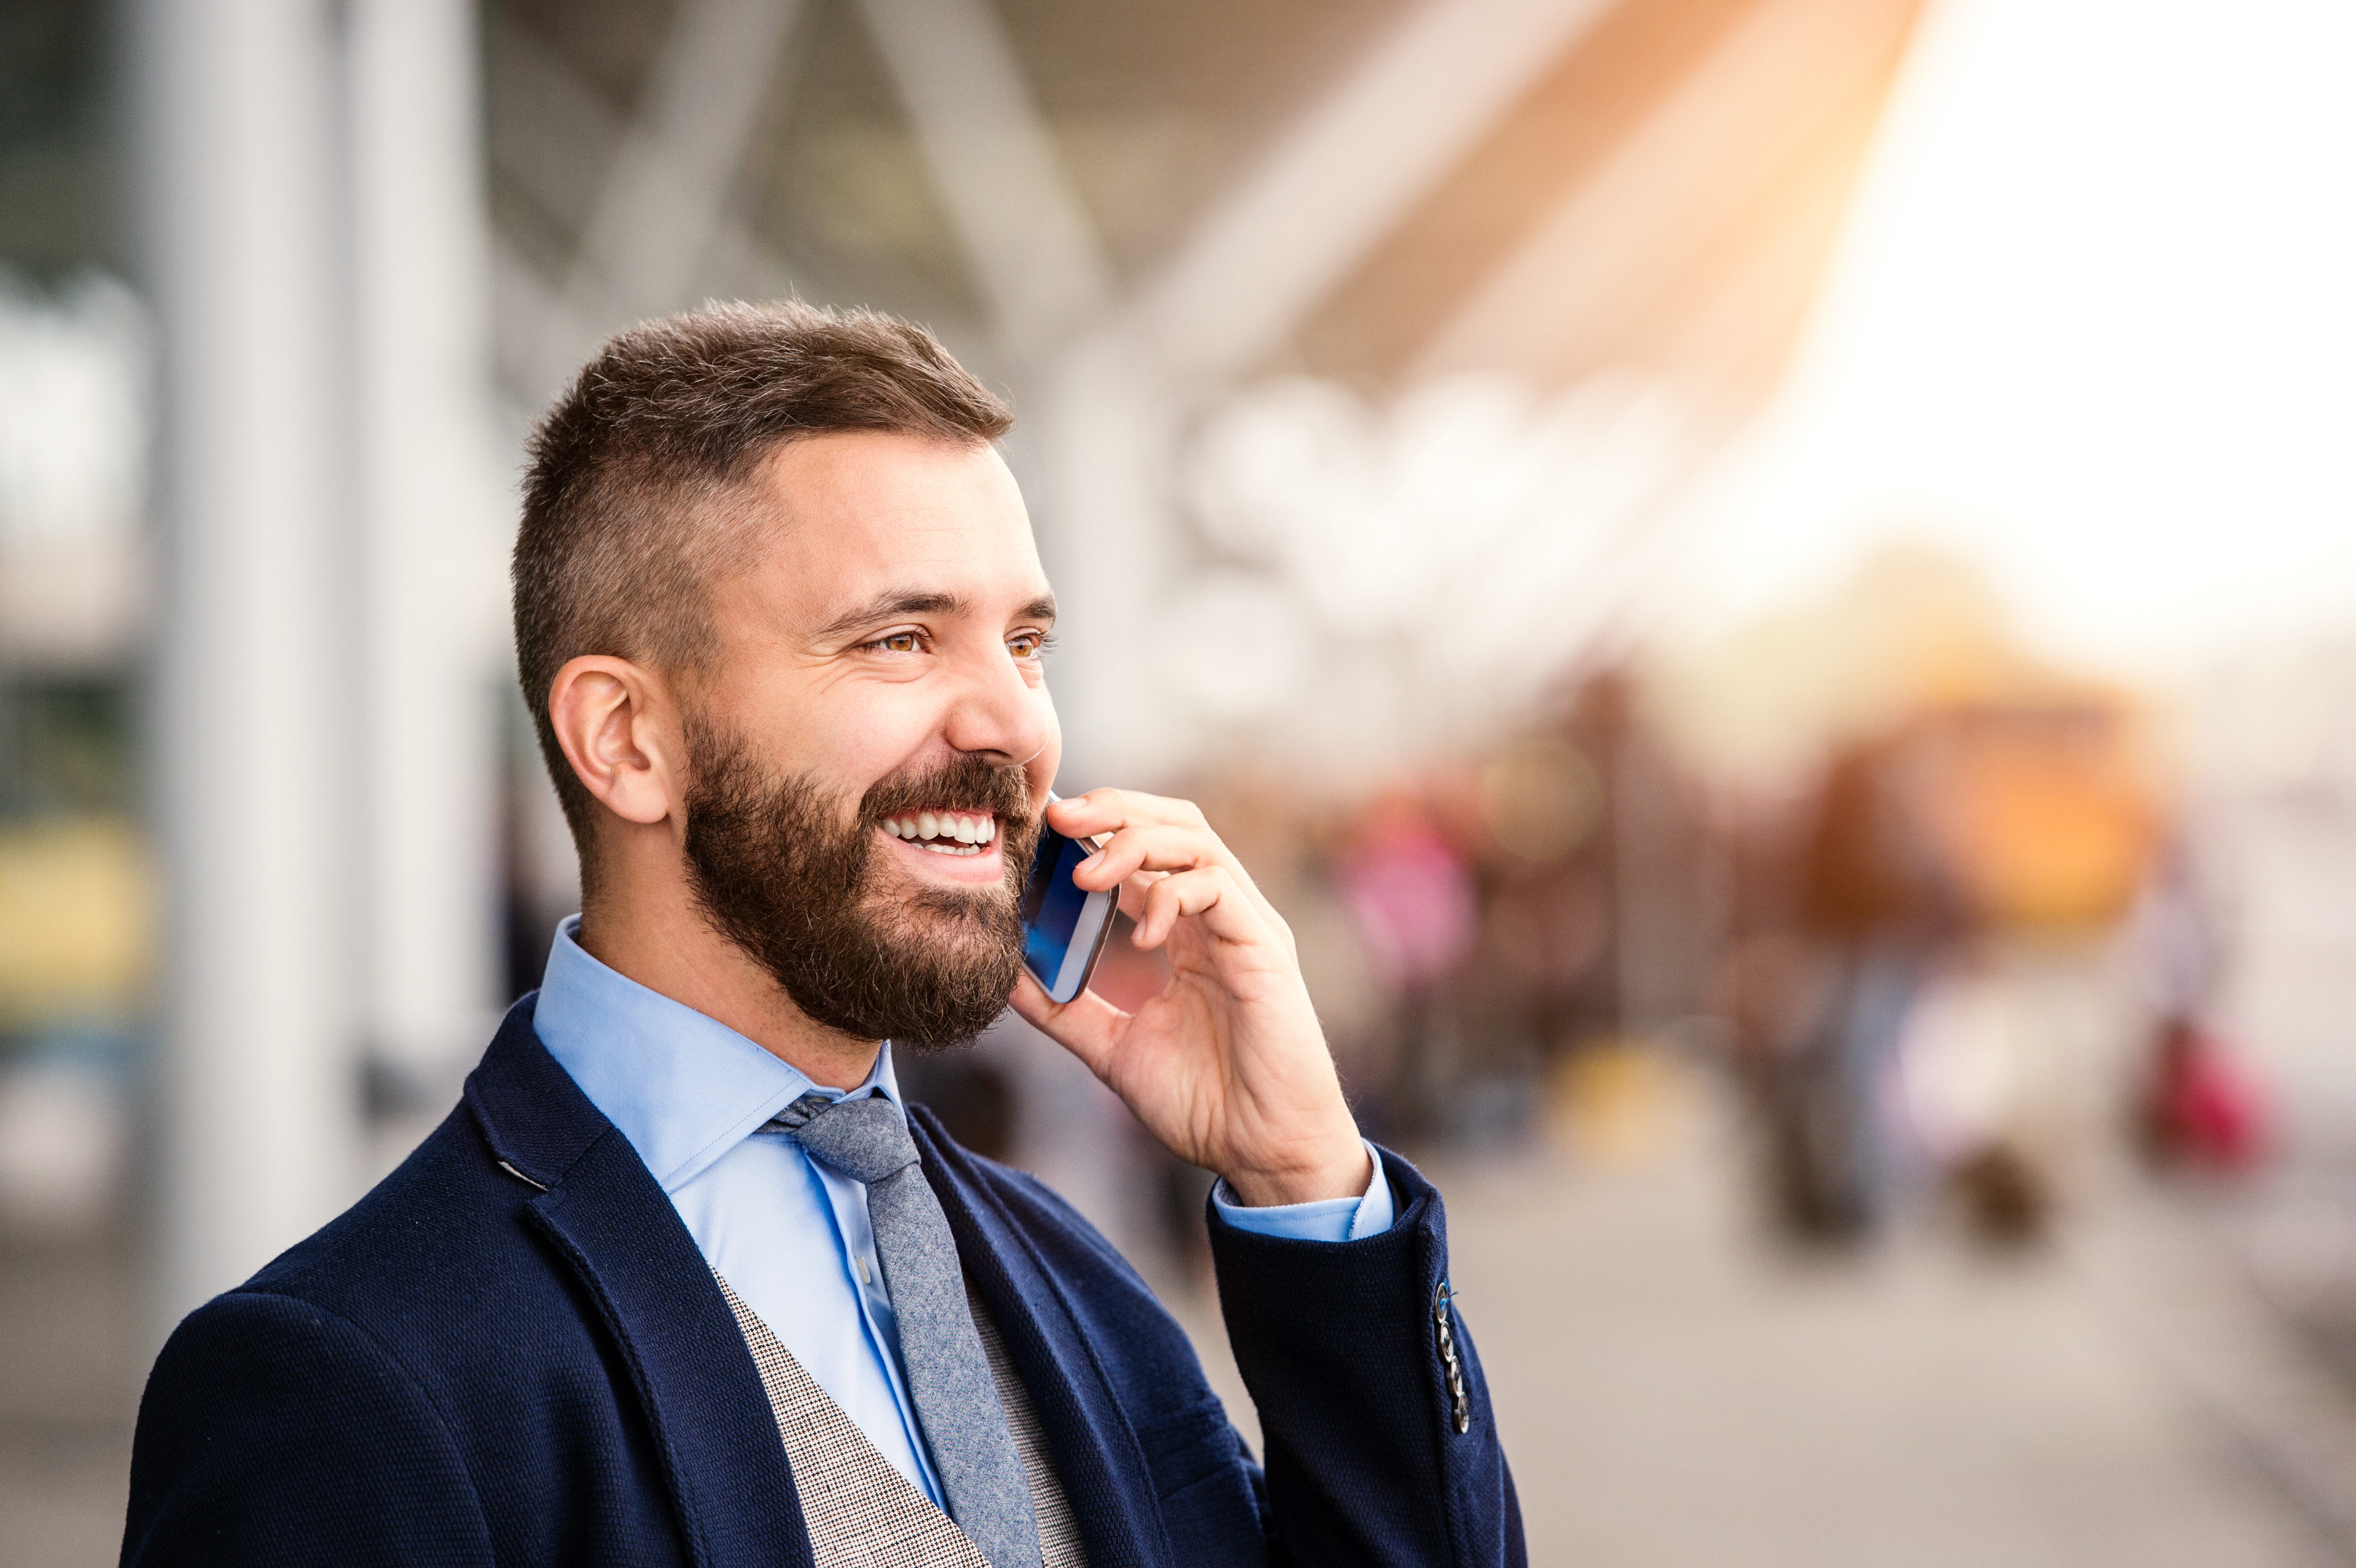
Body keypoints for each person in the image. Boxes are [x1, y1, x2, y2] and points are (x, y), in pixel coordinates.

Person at [120, 302, 1523, 1567]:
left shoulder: (1074, 1280)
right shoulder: (348, 1382)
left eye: (1023, 643)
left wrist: (1302, 1183)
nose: (1013, 725)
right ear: (628, 739)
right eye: (900, 640)